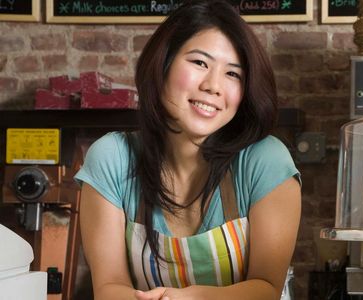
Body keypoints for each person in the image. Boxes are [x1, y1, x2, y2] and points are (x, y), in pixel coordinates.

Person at [75, 0, 301, 299]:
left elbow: (266, 288)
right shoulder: (111, 157)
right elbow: (109, 286)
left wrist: (188, 298)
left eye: (233, 74)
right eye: (200, 63)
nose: (213, 86)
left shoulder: (265, 161)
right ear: (163, 64)